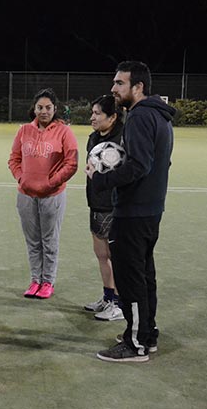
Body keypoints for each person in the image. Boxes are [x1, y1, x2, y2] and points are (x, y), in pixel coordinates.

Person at [86, 61, 175, 362]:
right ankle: (146, 334)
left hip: (134, 212)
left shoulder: (139, 117)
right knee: (144, 275)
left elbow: (139, 166)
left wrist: (101, 180)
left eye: (120, 83)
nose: (113, 88)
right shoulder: (160, 116)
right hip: (150, 210)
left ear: (138, 87)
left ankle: (135, 343)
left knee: (130, 279)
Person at [8, 88, 79, 299]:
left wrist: (51, 183)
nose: (44, 111)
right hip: (26, 195)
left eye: (48, 107)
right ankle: (35, 281)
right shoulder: (23, 131)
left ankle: (48, 281)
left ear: (55, 109)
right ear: (34, 108)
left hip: (52, 196)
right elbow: (14, 159)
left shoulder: (64, 132)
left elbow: (72, 163)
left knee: (49, 240)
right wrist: (22, 178)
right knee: (33, 241)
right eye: (40, 107)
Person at [83, 95, 125, 321]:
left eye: (98, 113)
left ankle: (119, 304)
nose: (93, 117)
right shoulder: (93, 138)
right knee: (101, 254)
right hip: (96, 201)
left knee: (115, 255)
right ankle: (108, 297)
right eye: (93, 113)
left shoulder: (123, 139)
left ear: (113, 117)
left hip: (115, 205)